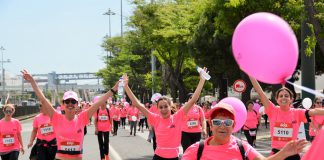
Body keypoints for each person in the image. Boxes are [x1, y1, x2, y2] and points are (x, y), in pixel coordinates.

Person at [22, 69, 119, 160]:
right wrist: (32, 81)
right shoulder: (56, 117)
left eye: (73, 101)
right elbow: (43, 99)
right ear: (63, 104)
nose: (70, 104)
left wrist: (114, 89)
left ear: (77, 104)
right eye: (67, 101)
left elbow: (98, 102)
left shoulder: (82, 118)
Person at [123, 67, 207, 160]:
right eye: (161, 107)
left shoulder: (177, 117)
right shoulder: (155, 118)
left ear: (170, 107)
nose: (163, 109)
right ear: (157, 108)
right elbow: (138, 104)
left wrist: (202, 80)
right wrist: (126, 87)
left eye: (166, 106)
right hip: (158, 157)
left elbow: (193, 100)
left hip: (174, 157)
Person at [182, 103, 308, 160]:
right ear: (210, 124)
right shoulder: (195, 150)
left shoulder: (242, 147)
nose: (222, 126)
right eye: (217, 122)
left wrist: (284, 153)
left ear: (234, 126)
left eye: (227, 123)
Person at [249, 76, 324, 160]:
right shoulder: (272, 110)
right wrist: (250, 74)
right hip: (277, 154)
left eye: (286, 96)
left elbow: (315, 111)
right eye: (281, 96)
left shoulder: (297, 112)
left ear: (291, 99)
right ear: (277, 100)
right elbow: (260, 92)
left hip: (293, 155)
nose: (283, 97)